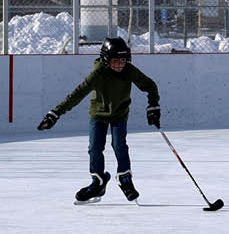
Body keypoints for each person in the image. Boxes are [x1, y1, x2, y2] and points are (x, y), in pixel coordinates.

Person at [37, 36, 161, 203]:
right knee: (95, 148)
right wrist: (55, 113)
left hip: (119, 114)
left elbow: (150, 86)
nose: (119, 65)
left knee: (119, 146)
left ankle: (125, 179)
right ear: (106, 59)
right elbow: (77, 94)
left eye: (123, 60)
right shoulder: (98, 73)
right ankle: (98, 183)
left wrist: (153, 107)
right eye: (115, 61)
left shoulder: (129, 71)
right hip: (98, 114)